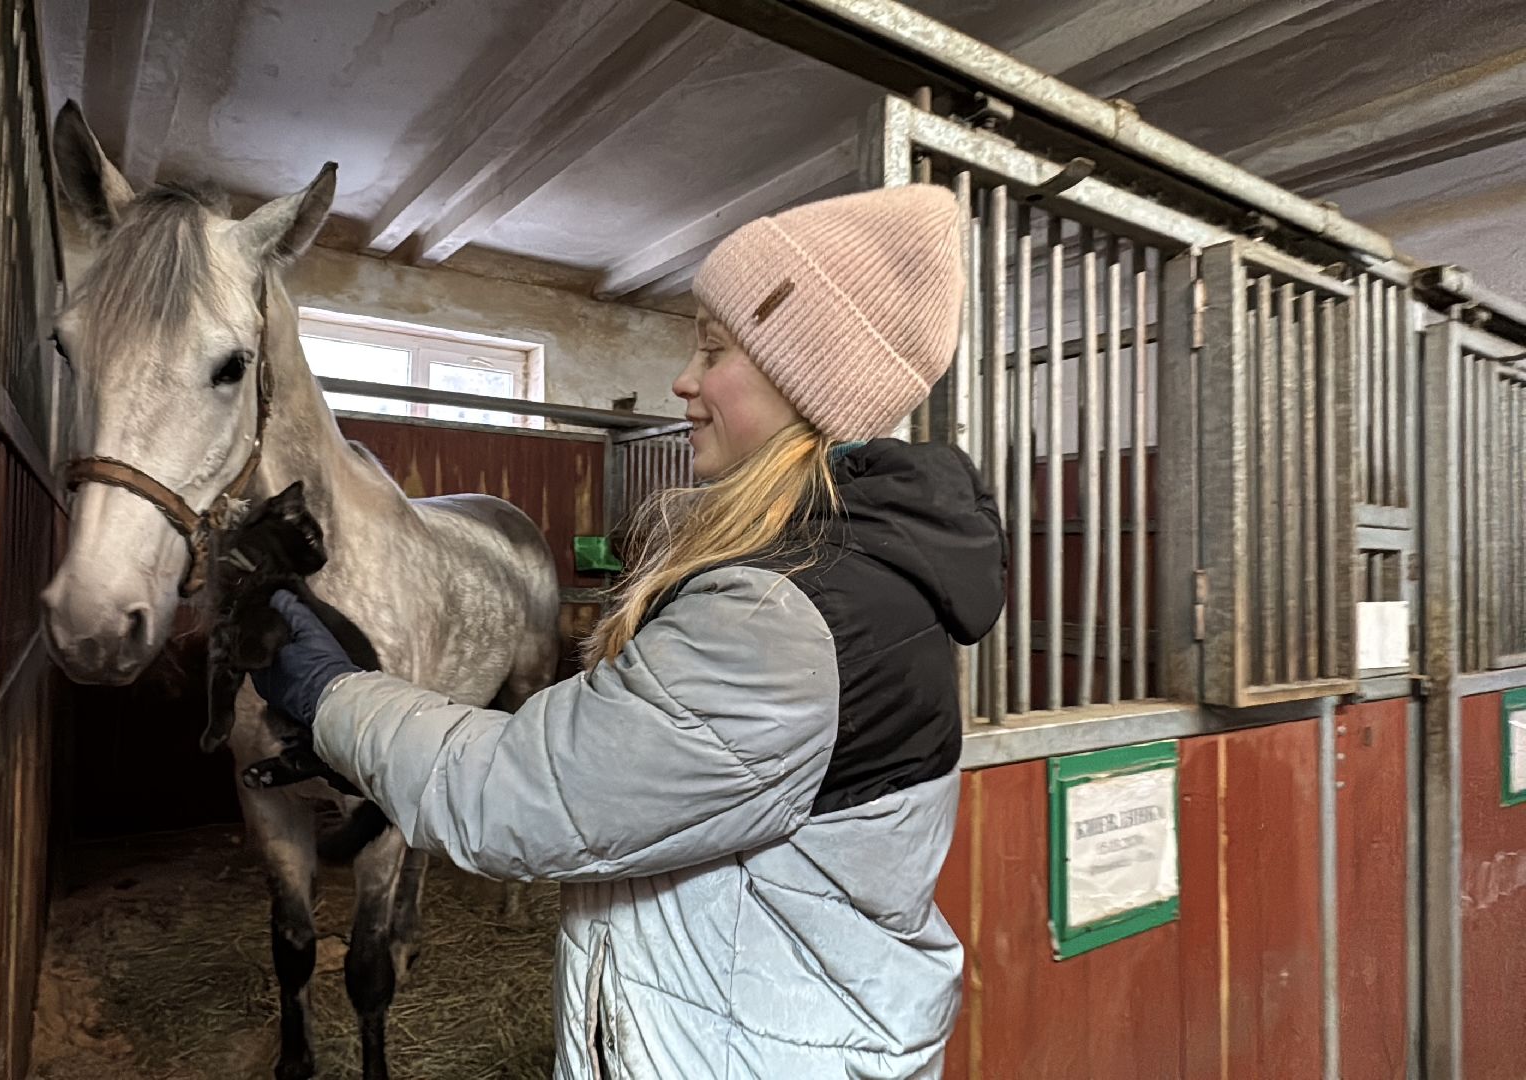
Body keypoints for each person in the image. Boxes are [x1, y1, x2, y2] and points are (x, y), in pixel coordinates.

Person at [253, 184, 1007, 1079]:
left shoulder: (784, 615)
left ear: (803, 379)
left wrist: (330, 691)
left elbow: (522, 794)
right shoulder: (854, 573)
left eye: (715, 351)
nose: (684, 381)